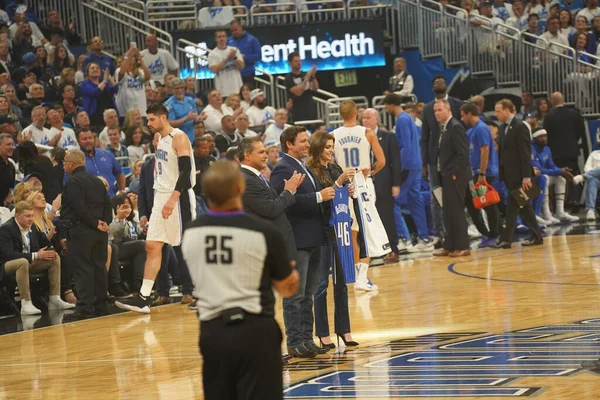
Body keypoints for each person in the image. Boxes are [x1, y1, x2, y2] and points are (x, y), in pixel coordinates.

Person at [181, 161, 299, 400]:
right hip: (255, 331)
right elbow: (287, 286)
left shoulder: (191, 233)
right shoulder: (264, 232)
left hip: (213, 333)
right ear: (239, 189)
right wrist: (291, 274)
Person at [116, 104, 197, 314]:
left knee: (188, 246)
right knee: (152, 246)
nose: (148, 124)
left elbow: (186, 172)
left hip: (177, 197)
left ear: (163, 117)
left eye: (152, 120)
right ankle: (144, 298)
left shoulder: (179, 137)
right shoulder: (160, 139)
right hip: (161, 197)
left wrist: (172, 199)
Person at [270, 126, 332, 358]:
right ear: (289, 144)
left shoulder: (302, 165)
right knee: (295, 295)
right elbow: (286, 201)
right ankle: (295, 342)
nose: (307, 144)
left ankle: (307, 339)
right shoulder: (281, 169)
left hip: (313, 238)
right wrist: (319, 196)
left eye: (307, 141)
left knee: (309, 293)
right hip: (297, 241)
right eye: (303, 141)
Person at [306, 131, 358, 350]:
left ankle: (344, 329)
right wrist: (339, 183)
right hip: (323, 230)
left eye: (332, 146)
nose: (330, 150)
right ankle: (323, 333)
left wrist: (350, 191)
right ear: (318, 148)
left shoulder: (336, 168)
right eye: (327, 147)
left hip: (341, 229)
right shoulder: (311, 171)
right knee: (321, 284)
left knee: (342, 283)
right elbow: (321, 198)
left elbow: (341, 196)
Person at [331, 100, 387, 291]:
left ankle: (355, 276)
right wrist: (369, 171)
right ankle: (362, 278)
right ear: (356, 113)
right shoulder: (367, 133)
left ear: (340, 114)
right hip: (362, 185)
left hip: (343, 186)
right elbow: (381, 161)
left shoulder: (333, 136)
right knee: (366, 231)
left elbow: (328, 163)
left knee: (352, 232)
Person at [60, 150, 113, 319]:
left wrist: (94, 223)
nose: (63, 164)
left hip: (81, 230)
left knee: (83, 268)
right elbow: (107, 204)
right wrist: (104, 222)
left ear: (71, 163)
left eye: (64, 161)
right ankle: (101, 304)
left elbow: (78, 207)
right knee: (99, 267)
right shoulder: (97, 181)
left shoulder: (72, 182)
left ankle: (85, 307)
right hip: (99, 232)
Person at [0, 201, 74, 315]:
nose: (30, 219)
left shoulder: (32, 226)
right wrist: (36, 255)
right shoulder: (6, 229)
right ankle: (26, 303)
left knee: (54, 258)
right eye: (27, 216)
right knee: (22, 262)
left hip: (27, 262)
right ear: (18, 216)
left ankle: (54, 299)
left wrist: (50, 246)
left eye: (32, 216)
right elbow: (8, 254)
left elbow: (43, 244)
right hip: (6, 265)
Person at [239, 137, 302, 261]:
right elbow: (271, 209)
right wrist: (288, 191)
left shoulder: (254, 177)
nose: (266, 156)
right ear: (247, 155)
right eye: (261, 152)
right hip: (269, 248)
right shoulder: (247, 180)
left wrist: (288, 191)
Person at [384, 94, 433, 252]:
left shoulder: (402, 120)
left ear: (392, 105)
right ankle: (424, 238)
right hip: (415, 164)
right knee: (415, 201)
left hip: (408, 165)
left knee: (394, 201)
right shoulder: (407, 118)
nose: (385, 109)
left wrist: (397, 168)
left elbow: (405, 146)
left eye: (386, 105)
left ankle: (403, 239)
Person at [491, 99, 543, 249]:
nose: (496, 114)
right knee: (524, 207)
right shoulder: (502, 128)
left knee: (513, 208)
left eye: (498, 111)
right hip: (508, 175)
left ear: (508, 110)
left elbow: (525, 153)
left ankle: (506, 239)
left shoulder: (520, 127)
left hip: (519, 176)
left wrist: (527, 176)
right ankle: (537, 236)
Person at [421, 75, 463, 246]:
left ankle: (459, 231)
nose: (439, 84)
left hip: (452, 158)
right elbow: (424, 137)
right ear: (432, 87)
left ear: (446, 85)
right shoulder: (427, 108)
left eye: (442, 82)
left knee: (455, 195)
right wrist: (424, 163)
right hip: (434, 159)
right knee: (435, 197)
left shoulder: (457, 104)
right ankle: (440, 234)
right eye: (436, 82)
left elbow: (461, 133)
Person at [432, 100, 472, 257]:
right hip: (446, 175)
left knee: (457, 211)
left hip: (456, 176)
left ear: (448, 110)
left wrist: (455, 172)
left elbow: (463, 153)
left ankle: (463, 246)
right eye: (435, 110)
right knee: (448, 211)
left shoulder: (455, 127)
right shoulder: (445, 127)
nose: (437, 113)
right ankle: (449, 245)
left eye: (440, 110)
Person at [361, 109, 402, 261]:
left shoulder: (388, 137)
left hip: (384, 183)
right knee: (367, 219)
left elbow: (396, 161)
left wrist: (396, 184)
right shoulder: (360, 137)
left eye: (368, 117)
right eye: (363, 118)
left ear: (376, 119)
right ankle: (370, 252)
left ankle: (393, 249)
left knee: (387, 217)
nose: (365, 120)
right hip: (365, 185)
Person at [460, 102, 501, 247]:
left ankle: (494, 234)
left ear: (470, 113)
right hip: (476, 173)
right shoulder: (473, 130)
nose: (462, 118)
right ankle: (486, 232)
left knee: (488, 202)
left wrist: (482, 173)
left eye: (463, 115)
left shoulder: (481, 128)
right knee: (471, 203)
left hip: (484, 172)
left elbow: (485, 150)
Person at [544, 91, 586, 212]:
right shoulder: (574, 114)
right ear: (563, 100)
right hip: (571, 150)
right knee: (573, 176)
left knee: (557, 177)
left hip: (555, 152)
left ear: (552, 102)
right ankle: (575, 201)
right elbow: (580, 132)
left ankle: (558, 207)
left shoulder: (548, 117)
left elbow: (547, 135)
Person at [530, 128, 578, 222]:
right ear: (534, 138)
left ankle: (560, 212)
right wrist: (559, 171)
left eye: (545, 136)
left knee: (560, 178)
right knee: (545, 178)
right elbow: (538, 170)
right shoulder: (531, 149)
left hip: (543, 177)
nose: (544, 138)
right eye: (540, 137)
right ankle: (546, 214)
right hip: (534, 179)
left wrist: (561, 170)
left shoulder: (547, 149)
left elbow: (552, 166)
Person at [77, 127, 126, 197]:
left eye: (90, 138)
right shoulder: (76, 160)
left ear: (94, 139)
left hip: (111, 197)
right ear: (78, 141)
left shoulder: (107, 154)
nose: (88, 141)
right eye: (84, 139)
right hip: (90, 202)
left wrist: (122, 191)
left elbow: (120, 174)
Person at [115, 44, 151, 119]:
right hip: (125, 111)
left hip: (141, 109)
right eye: (128, 57)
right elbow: (121, 73)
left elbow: (148, 76)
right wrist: (128, 53)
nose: (130, 58)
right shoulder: (119, 71)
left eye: (132, 57)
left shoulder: (140, 72)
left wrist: (140, 58)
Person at [81, 62, 118, 130]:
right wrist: (104, 81)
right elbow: (95, 93)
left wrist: (109, 77)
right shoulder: (85, 84)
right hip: (96, 117)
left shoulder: (105, 84)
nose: (95, 69)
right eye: (92, 68)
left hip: (109, 116)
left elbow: (115, 89)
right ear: (88, 72)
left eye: (97, 68)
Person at [284, 52, 319, 126]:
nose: (299, 63)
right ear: (290, 63)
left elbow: (315, 88)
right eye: (296, 61)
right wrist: (306, 79)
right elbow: (298, 92)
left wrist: (313, 77)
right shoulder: (288, 78)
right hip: (299, 113)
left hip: (311, 109)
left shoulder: (304, 74)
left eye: (300, 61)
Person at [208, 29, 244, 97]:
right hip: (223, 91)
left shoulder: (234, 50)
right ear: (216, 39)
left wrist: (234, 58)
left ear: (226, 38)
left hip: (237, 89)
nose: (222, 39)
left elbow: (242, 66)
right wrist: (227, 59)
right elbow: (214, 69)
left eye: (224, 36)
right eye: (219, 37)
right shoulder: (212, 54)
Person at [165, 78, 199, 143]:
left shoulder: (190, 100)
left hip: (191, 137)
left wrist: (200, 118)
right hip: (177, 139)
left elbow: (194, 118)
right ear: (172, 90)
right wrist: (186, 119)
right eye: (177, 88)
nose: (180, 90)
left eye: (182, 88)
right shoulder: (168, 104)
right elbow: (169, 124)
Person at [227, 19, 261, 85]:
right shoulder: (228, 41)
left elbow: (258, 56)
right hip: (232, 75)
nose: (234, 32)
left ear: (241, 27)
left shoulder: (252, 40)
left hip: (248, 74)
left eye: (236, 29)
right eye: (232, 31)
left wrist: (244, 57)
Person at [573, 148, 600, 221]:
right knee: (592, 180)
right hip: (597, 179)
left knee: (591, 177)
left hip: (592, 176)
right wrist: (595, 173)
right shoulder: (594, 154)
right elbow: (587, 168)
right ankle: (590, 210)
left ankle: (583, 177)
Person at [0, 133, 15, 206]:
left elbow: (11, 187)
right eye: (8, 145)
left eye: (12, 144)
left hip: (5, 207)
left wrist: (10, 195)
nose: (11, 147)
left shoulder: (11, 166)